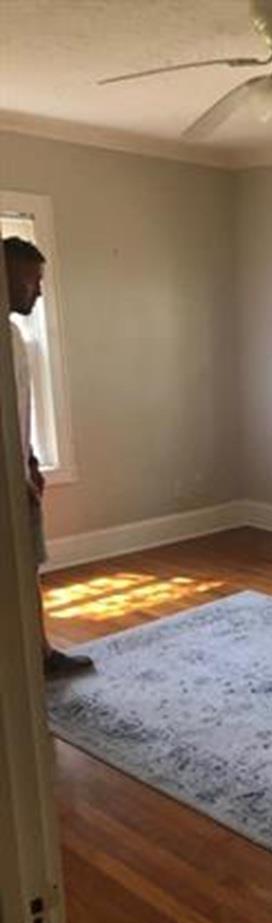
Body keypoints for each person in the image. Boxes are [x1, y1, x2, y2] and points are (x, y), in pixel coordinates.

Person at [4, 236, 93, 678]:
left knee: (29, 569)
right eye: (31, 281)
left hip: (21, 474)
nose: (38, 292)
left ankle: (39, 656)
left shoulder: (14, 337)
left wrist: (33, 460)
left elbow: (17, 409)